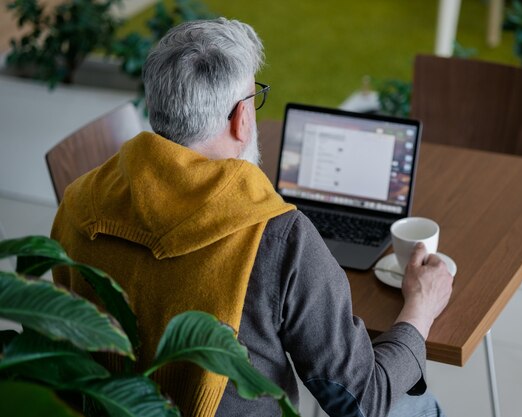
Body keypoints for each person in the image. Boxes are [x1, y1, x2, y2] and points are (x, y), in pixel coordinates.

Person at [51, 18, 453, 417]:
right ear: (241, 118)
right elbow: (358, 401)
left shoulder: (79, 202)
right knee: (417, 407)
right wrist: (420, 307)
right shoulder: (277, 236)